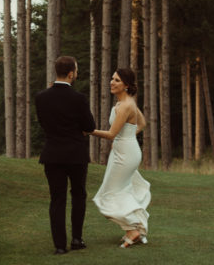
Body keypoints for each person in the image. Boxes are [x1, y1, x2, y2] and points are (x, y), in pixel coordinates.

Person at [34, 55, 96, 254]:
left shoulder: (41, 97)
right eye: (76, 71)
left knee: (57, 198)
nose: (76, 74)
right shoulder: (79, 99)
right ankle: (77, 239)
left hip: (52, 153)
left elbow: (43, 124)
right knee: (78, 195)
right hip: (76, 154)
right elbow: (90, 126)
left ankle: (60, 245)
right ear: (71, 73)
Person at [90, 68, 151, 248]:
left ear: (126, 85)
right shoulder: (126, 102)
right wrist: (128, 138)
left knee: (109, 193)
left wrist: (88, 131)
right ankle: (132, 229)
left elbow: (111, 134)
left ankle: (133, 230)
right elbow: (142, 123)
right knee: (121, 191)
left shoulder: (125, 105)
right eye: (112, 78)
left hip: (125, 154)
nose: (111, 82)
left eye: (116, 80)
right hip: (124, 151)